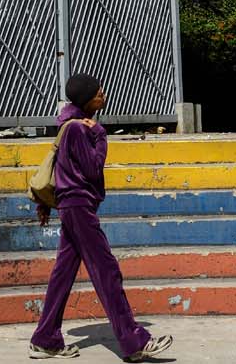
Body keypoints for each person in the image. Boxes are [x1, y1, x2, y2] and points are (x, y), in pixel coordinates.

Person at [28, 72, 174, 361]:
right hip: (79, 207)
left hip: (73, 206)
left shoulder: (70, 127)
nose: (103, 95)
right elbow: (93, 169)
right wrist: (100, 135)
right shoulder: (80, 130)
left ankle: (46, 338)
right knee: (106, 270)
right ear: (86, 99)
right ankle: (134, 341)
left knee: (63, 273)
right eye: (99, 92)